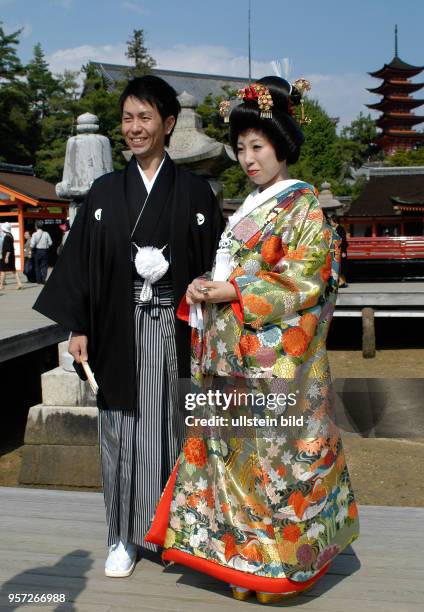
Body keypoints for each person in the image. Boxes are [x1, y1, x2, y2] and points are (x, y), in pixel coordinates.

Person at [146, 76, 359, 603]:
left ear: (281, 145)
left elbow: (309, 277)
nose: (247, 159)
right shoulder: (251, 206)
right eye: (240, 148)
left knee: (274, 461)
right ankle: (238, 560)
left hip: (272, 359)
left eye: (257, 147)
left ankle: (279, 567)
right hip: (230, 350)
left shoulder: (302, 205)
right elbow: (235, 272)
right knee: (230, 455)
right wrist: (205, 289)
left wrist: (234, 288)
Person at [33, 75, 224, 578]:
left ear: (168, 123)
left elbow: (215, 266)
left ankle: (173, 532)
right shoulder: (103, 192)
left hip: (175, 329)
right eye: (128, 118)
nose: (134, 128)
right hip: (117, 329)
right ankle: (122, 536)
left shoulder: (196, 192)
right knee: (120, 430)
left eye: (145, 118)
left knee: (173, 429)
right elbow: (83, 264)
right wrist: (77, 325)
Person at [0, 222, 23, 290]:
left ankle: (1, 285)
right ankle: (19, 283)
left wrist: (6, 257)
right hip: (11, 256)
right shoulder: (10, 235)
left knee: (3, 270)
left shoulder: (7, 237)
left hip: (7, 256)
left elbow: (8, 249)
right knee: (13, 270)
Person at [329, 215, 348, 288]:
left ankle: (342, 282)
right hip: (336, 250)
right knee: (338, 266)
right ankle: (342, 281)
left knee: (341, 266)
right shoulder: (335, 229)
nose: (330, 222)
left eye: (331, 221)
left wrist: (343, 251)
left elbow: (343, 241)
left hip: (341, 250)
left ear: (335, 221)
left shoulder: (340, 229)